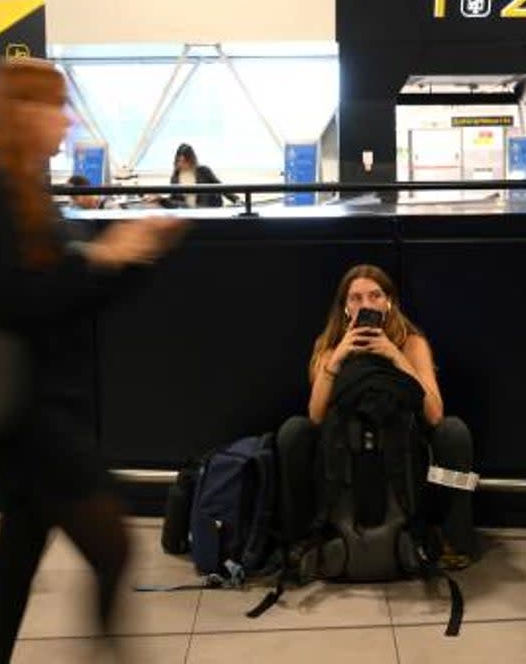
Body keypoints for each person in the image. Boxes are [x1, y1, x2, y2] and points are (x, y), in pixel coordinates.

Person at [0, 58, 187, 664]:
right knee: (111, 549)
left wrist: (132, 256)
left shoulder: (31, 195)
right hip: (36, 424)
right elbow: (20, 302)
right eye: (54, 105)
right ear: (23, 115)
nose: (67, 118)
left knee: (13, 566)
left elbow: (68, 295)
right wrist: (105, 259)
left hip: (38, 416)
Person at [277, 264, 477, 565]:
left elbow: (435, 414)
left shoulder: (411, 343)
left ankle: (454, 537)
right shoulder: (329, 347)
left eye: (374, 296)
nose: (365, 305)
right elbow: (315, 416)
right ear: (345, 307)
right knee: (293, 432)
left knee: (454, 432)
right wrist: (340, 356)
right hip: (342, 457)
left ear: (389, 302)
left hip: (407, 455)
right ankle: (302, 538)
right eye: (355, 298)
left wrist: (395, 356)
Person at [167, 143, 238, 208]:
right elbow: (174, 198)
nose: (182, 164)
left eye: (185, 161)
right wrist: (162, 200)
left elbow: (220, 187)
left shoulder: (203, 171)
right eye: (179, 161)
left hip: (205, 211)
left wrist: (236, 199)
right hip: (187, 214)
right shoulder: (175, 177)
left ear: (191, 159)